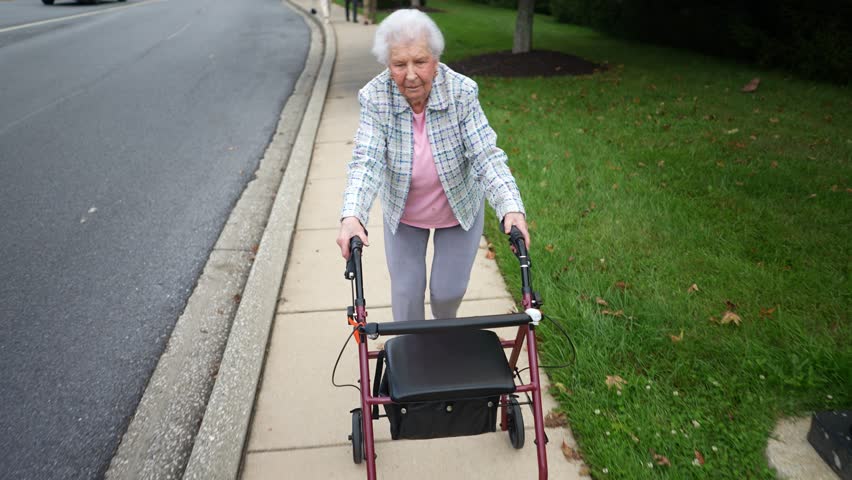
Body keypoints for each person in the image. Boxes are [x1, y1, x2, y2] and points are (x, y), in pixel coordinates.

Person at [336, 9, 530, 323]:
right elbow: (366, 162)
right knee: (406, 294)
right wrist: (352, 216)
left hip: (458, 207)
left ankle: (442, 335)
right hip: (405, 210)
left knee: (447, 292)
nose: (410, 74)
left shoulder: (461, 92)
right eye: (399, 64)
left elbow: (486, 156)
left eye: (420, 62)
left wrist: (511, 207)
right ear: (388, 64)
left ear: (436, 60)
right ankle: (413, 355)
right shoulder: (375, 97)